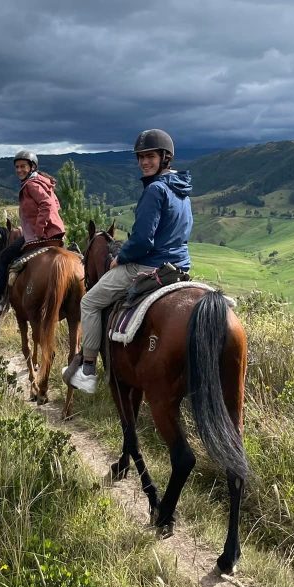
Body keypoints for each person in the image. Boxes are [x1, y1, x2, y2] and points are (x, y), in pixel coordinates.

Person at [63, 129, 192, 394]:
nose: (145, 162)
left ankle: (87, 370)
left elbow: (144, 240)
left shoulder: (155, 190)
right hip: (180, 267)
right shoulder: (182, 190)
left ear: (165, 157)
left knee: (88, 302)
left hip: (148, 266)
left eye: (151, 156)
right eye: (141, 157)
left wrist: (120, 258)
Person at [0, 150, 65, 312]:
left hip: (40, 236)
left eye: (23, 166)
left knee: (4, 257)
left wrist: (39, 229)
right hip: (55, 234)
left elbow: (47, 204)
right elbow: (56, 205)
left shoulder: (32, 184)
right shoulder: (43, 182)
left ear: (32, 167)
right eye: (17, 167)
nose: (19, 170)